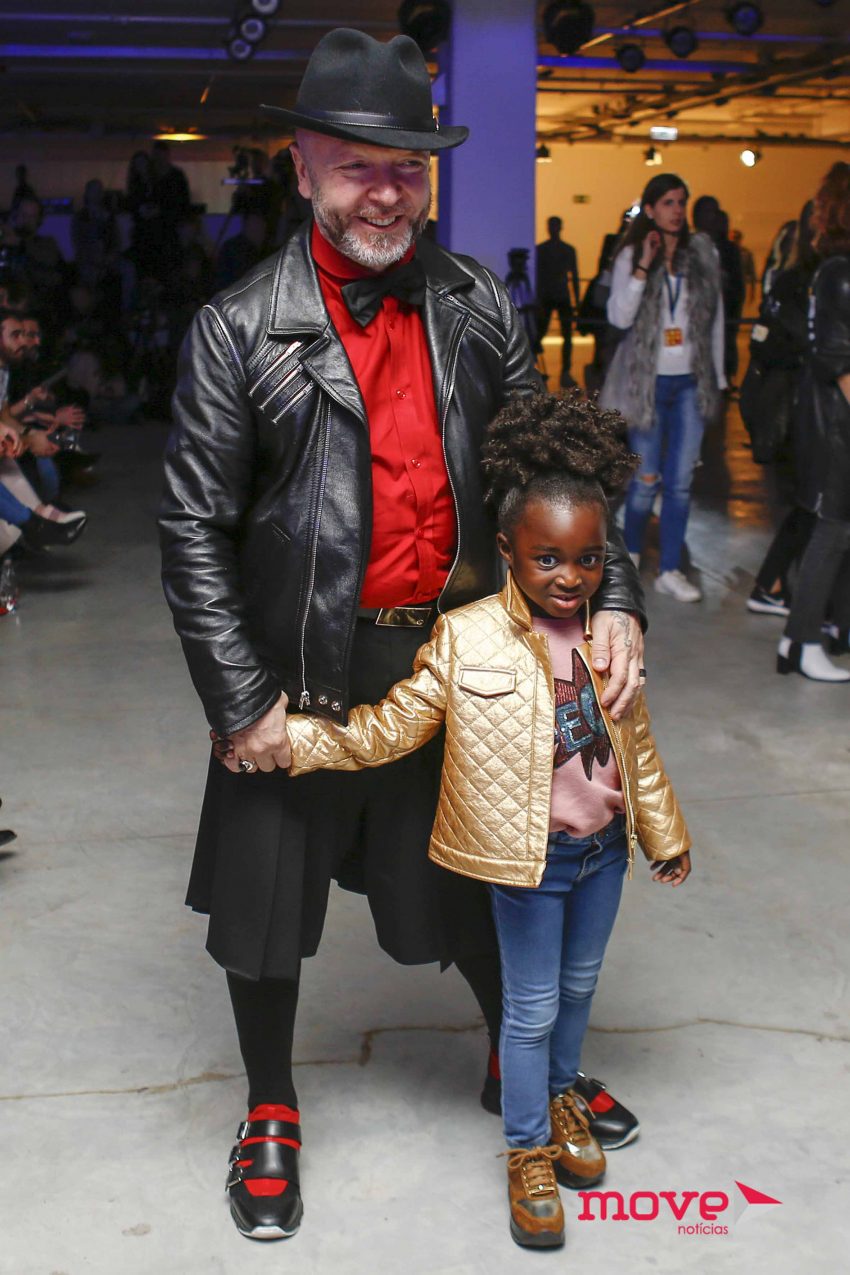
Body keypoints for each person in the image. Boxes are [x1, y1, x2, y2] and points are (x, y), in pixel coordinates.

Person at [159, 27, 646, 1244]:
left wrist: (616, 596)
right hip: (298, 673)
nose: (385, 193)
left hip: (453, 658)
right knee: (265, 904)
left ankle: (514, 1061)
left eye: (406, 168)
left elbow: (549, 465)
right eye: (356, 166)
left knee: (487, 876)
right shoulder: (238, 328)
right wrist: (239, 700)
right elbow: (193, 530)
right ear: (302, 168)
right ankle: (270, 1107)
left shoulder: (473, 302)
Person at [283, 391, 691, 1249]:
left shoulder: (607, 637)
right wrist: (298, 740)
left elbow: (638, 748)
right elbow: (391, 726)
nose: (570, 577)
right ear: (507, 551)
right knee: (530, 1008)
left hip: (603, 856)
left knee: (579, 990)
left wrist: (665, 833)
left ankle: (564, 1096)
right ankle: (527, 1147)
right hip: (527, 863)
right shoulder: (467, 638)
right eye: (548, 558)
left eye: (588, 559)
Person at [601, 173, 725, 603]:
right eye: (669, 203)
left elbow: (715, 321)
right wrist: (642, 266)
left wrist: (718, 378)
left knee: (680, 483)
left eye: (681, 202)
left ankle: (671, 568)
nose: (677, 211)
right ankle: (632, 556)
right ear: (651, 209)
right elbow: (619, 316)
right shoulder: (633, 253)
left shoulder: (702, 254)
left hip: (691, 382)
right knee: (645, 480)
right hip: (647, 384)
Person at [778, 162, 850, 682]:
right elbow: (837, 361)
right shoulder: (840, 273)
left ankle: (803, 638)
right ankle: (802, 642)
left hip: (832, 421)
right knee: (832, 530)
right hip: (835, 426)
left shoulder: (833, 269)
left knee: (836, 531)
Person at [536, 216, 580, 386]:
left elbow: (574, 276)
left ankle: (565, 371)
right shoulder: (545, 250)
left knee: (565, 335)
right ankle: (537, 368)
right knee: (541, 333)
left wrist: (577, 301)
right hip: (550, 296)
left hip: (559, 296)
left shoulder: (562, 250)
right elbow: (539, 276)